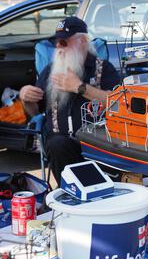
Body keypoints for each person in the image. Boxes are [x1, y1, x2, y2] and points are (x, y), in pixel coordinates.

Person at [19, 16, 120, 187]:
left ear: (82, 41)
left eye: (64, 42)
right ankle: (69, 192)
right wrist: (26, 98)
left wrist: (80, 87)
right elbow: (35, 112)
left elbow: (117, 103)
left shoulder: (104, 68)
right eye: (56, 42)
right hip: (61, 144)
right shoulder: (51, 70)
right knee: (57, 143)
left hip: (98, 143)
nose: (58, 47)